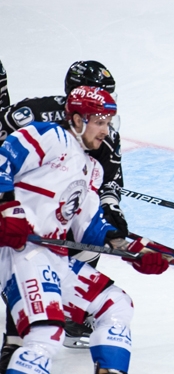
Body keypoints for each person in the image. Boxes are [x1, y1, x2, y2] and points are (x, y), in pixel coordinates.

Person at [0, 85, 169, 374]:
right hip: (21, 251)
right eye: (99, 122)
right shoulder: (49, 136)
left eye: (109, 123)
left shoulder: (91, 168)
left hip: (53, 257)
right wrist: (7, 210)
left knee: (116, 305)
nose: (106, 131)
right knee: (45, 335)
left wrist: (135, 250)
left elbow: (89, 227)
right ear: (78, 120)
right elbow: (2, 161)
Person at [0, 61, 128, 363]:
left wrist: (118, 232)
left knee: (84, 253)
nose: (106, 126)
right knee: (27, 274)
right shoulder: (38, 118)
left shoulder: (102, 134)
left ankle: (66, 315)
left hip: (62, 211)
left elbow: (105, 183)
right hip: (19, 212)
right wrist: (6, 205)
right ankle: (18, 339)